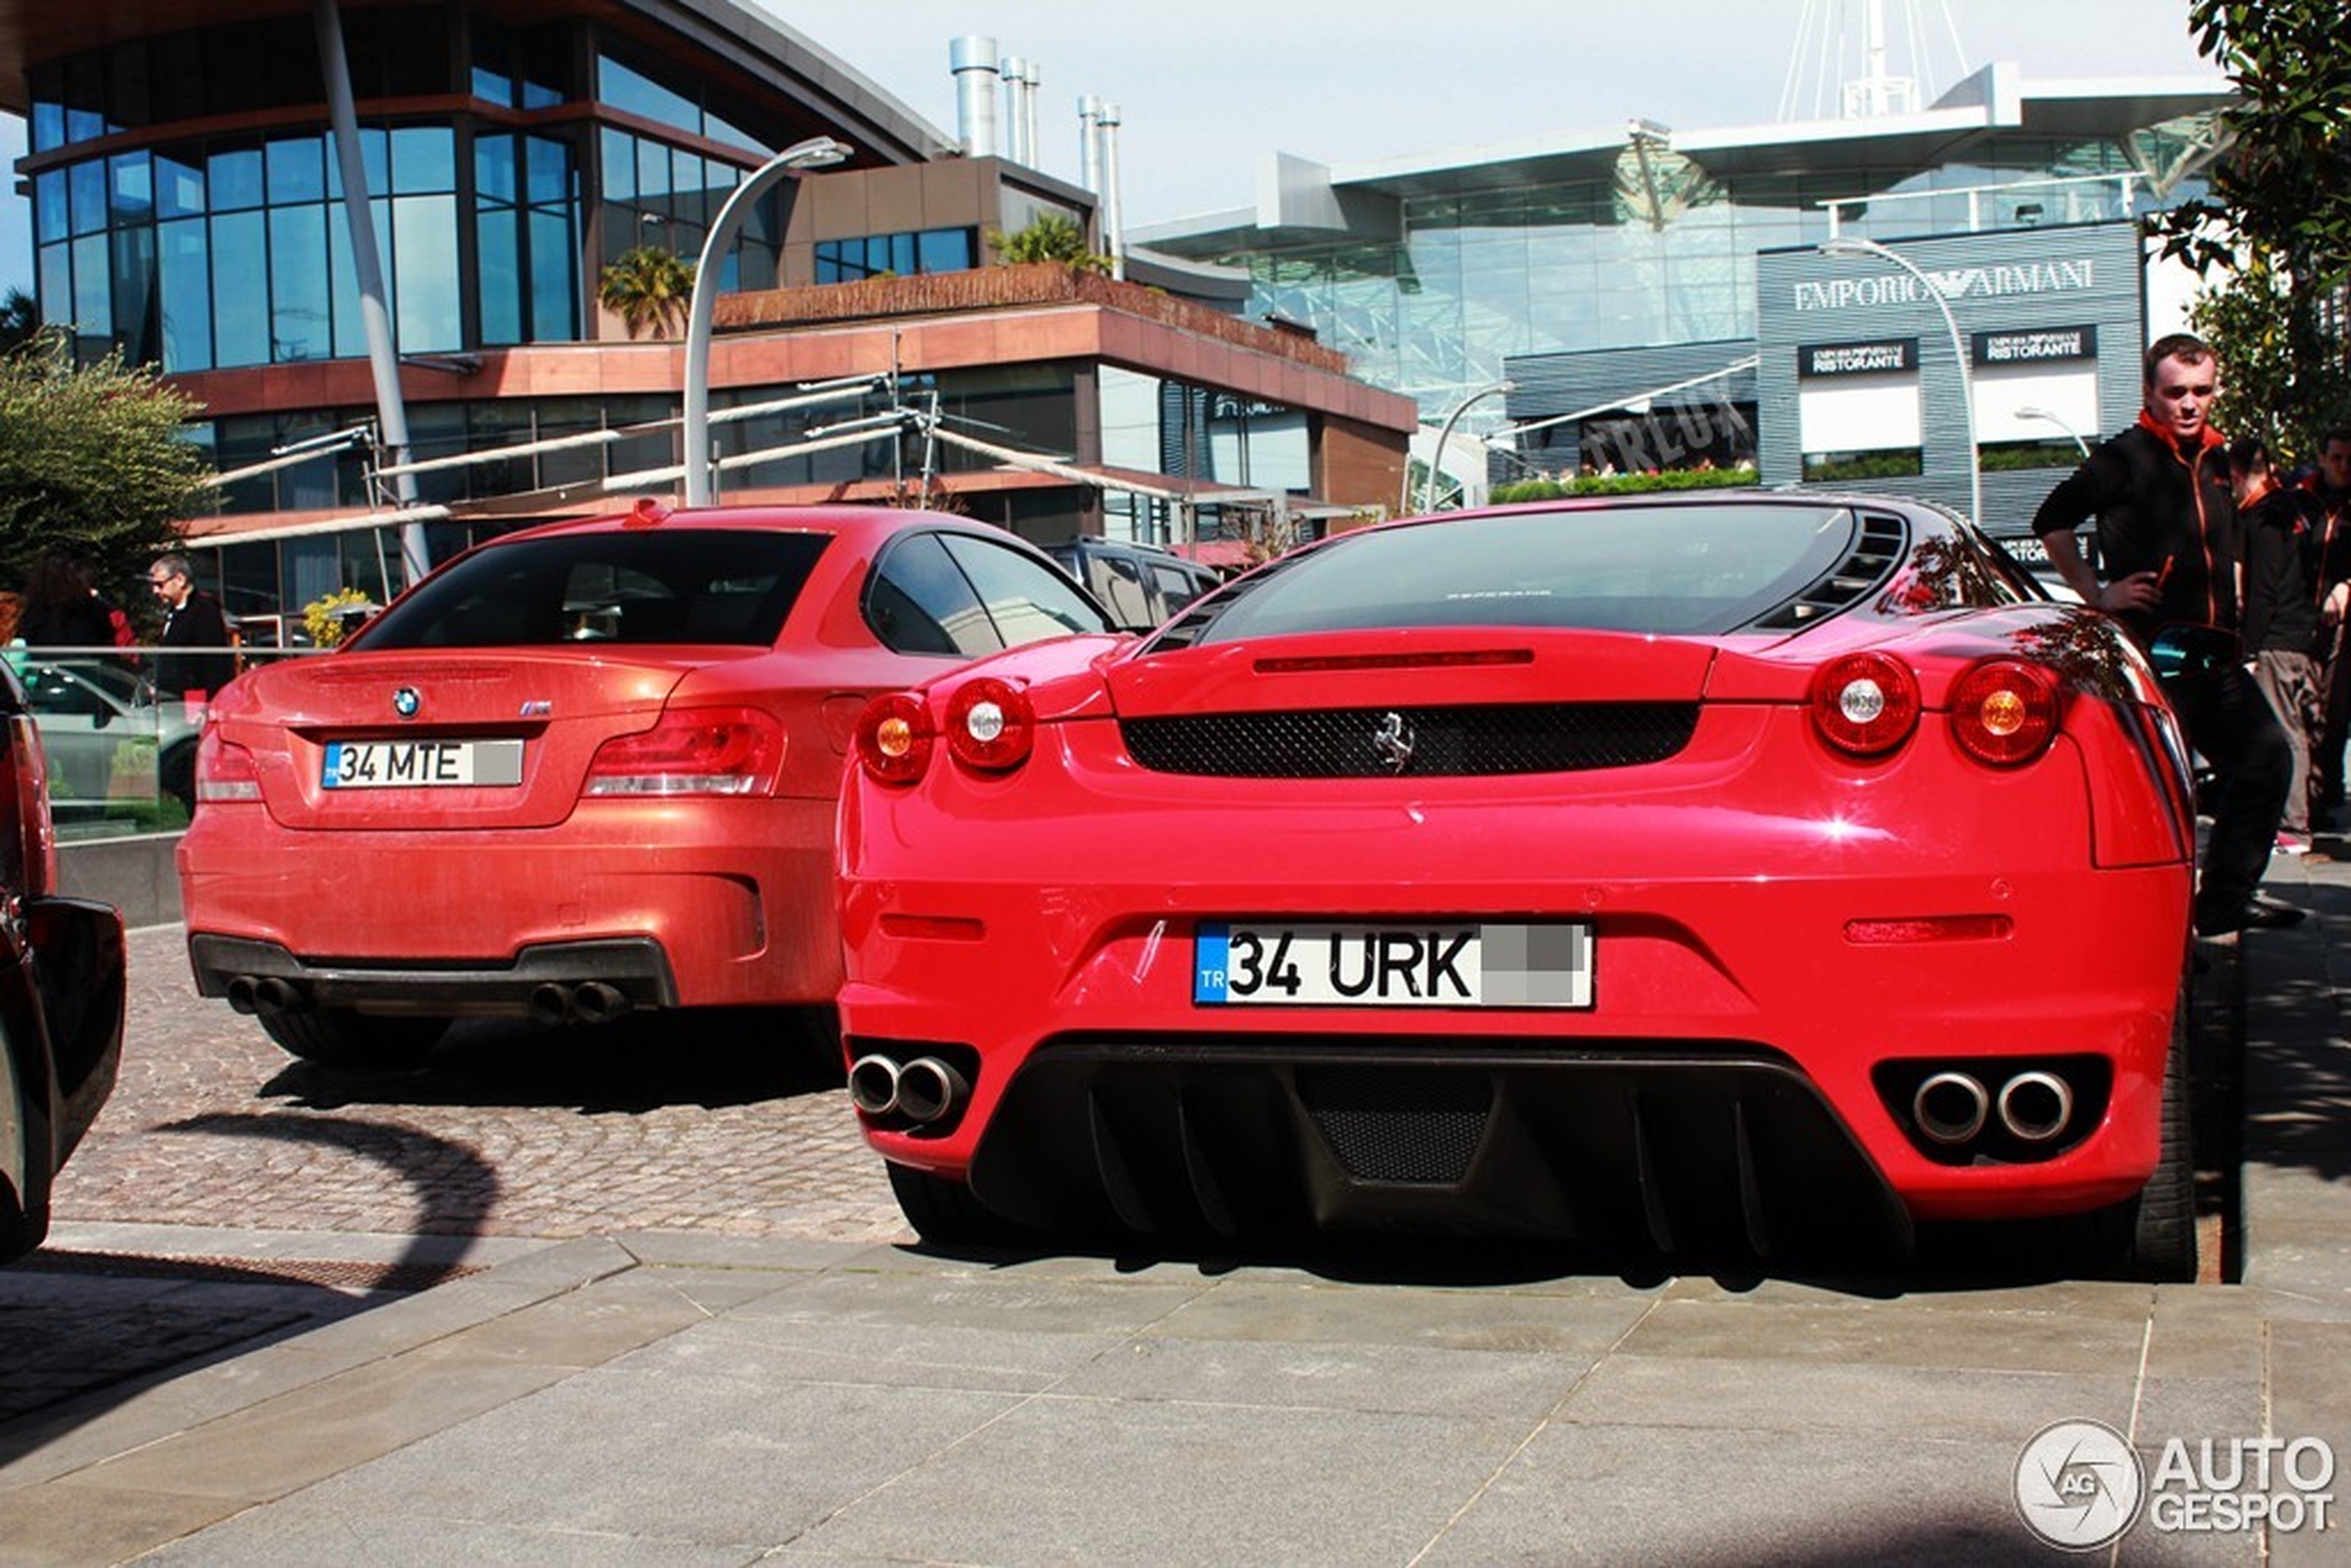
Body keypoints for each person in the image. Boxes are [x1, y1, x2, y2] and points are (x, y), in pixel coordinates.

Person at [2031, 332, 2297, 937]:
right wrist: (2096, 593)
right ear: (2150, 393)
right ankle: (2161, 931)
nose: (2188, 404)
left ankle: (2221, 904)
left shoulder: (2222, 461)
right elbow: (2051, 519)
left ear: (2215, 391)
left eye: (2200, 391)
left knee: (2265, 762)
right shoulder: (2123, 459)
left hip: (2213, 654)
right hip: (2154, 653)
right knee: (2163, 797)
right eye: (2175, 392)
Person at [2232, 434, 2329, 857]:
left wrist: (2250, 650)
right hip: (2300, 634)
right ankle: (2298, 820)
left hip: (2276, 640)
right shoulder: (2295, 512)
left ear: (2236, 476)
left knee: (2285, 731)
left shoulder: (2262, 519)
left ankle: (2292, 826)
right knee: (2301, 728)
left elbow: (2263, 591)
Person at [2301, 429, 2351, 828]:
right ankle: (2315, 790)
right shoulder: (2302, 499)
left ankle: (2325, 788)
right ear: (2322, 458)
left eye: (2349, 459)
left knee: (2334, 710)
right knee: (2307, 705)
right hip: (2303, 617)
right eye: (2336, 458)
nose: (2343, 467)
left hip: (2343, 624)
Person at [149, 553, 237, 703]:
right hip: (171, 697)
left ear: (180, 580)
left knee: (193, 726)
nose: (155, 591)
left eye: (160, 584)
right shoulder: (173, 611)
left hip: (195, 696)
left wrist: (207, 704)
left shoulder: (204, 610)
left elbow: (214, 661)